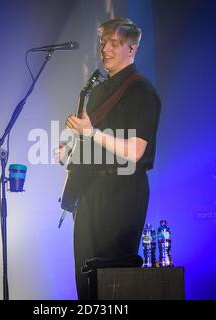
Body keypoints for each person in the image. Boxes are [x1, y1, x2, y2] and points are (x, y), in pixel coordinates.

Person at [55, 18, 161, 299]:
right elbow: (90, 142)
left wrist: (90, 132)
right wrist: (68, 150)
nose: (105, 49)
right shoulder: (98, 91)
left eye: (114, 43)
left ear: (132, 48)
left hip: (123, 191)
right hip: (89, 193)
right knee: (86, 276)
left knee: (114, 277)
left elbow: (136, 151)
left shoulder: (143, 91)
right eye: (103, 43)